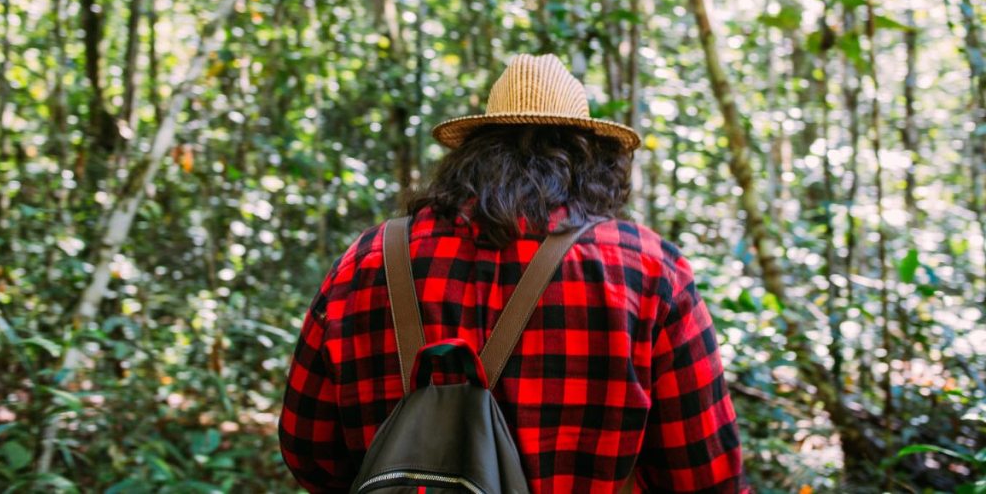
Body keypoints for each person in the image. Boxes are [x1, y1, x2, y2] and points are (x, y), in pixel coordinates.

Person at [278, 53, 748, 492]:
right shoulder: (647, 271)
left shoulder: (371, 259)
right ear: (593, 160)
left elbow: (308, 449)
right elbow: (707, 476)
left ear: (472, 154)